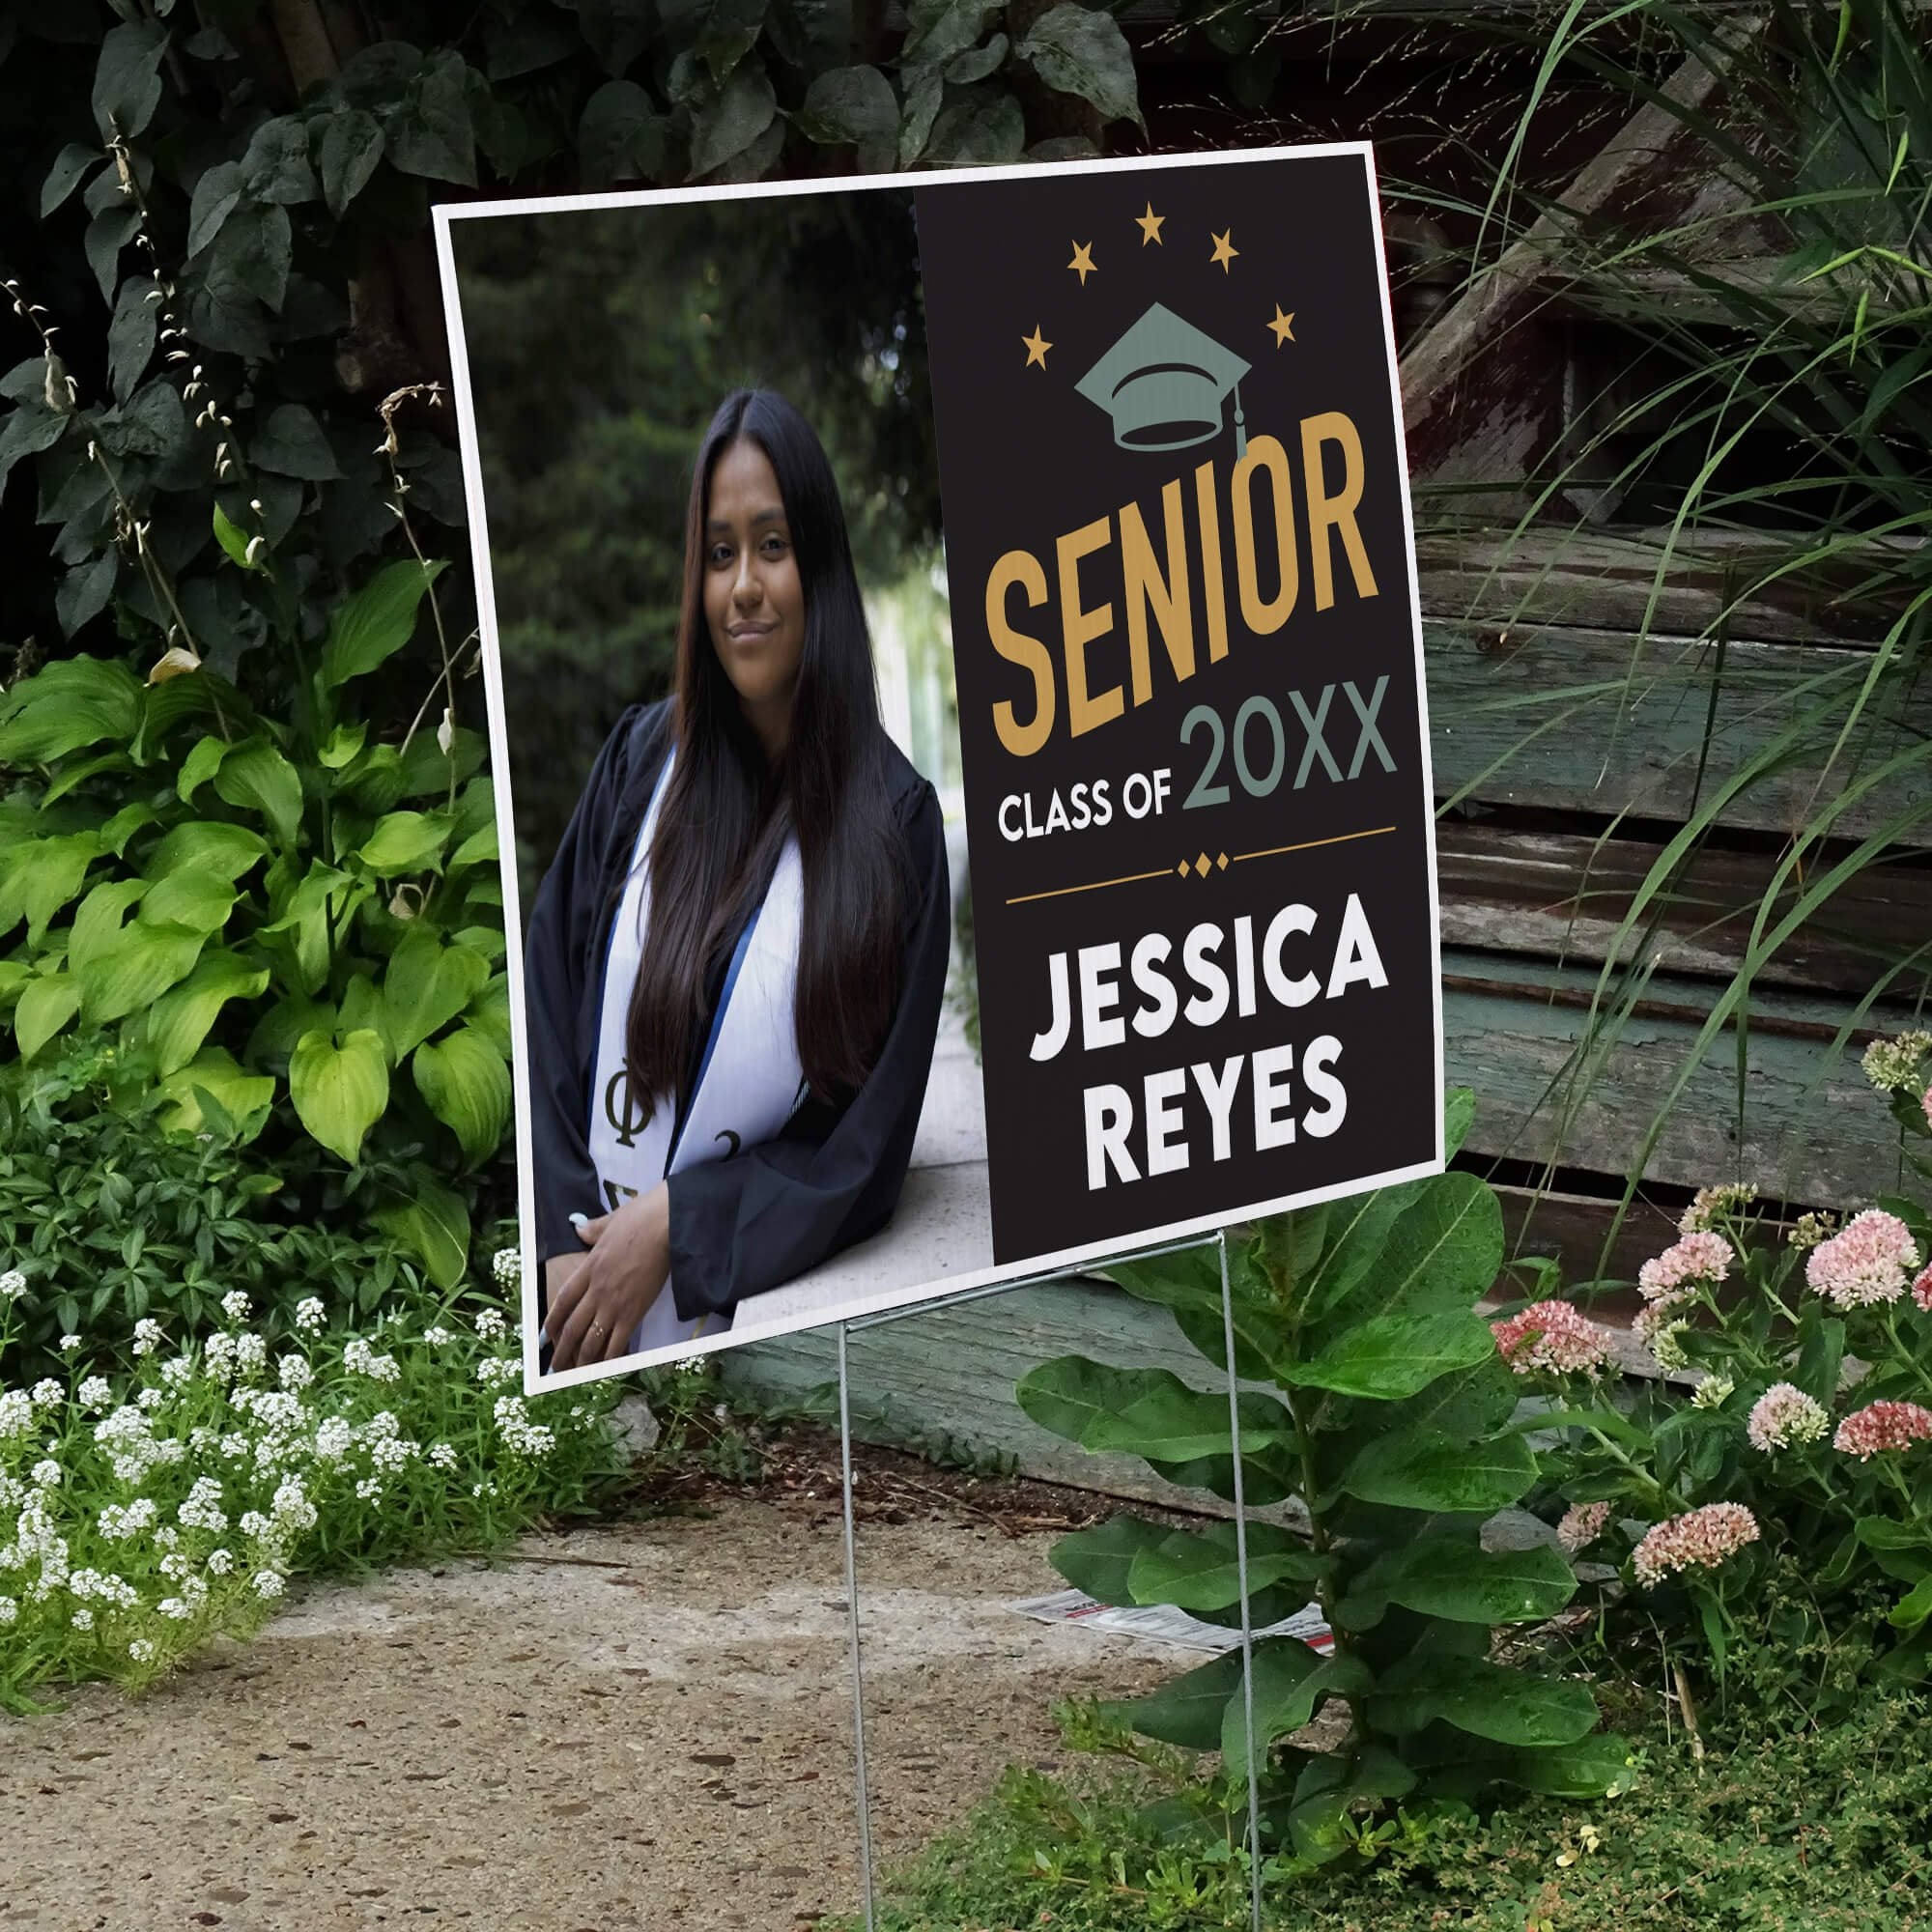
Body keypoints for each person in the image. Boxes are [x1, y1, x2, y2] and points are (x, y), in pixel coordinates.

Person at [524, 388, 950, 1373]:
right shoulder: (641, 763)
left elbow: (861, 1151)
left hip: (733, 1371)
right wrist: (562, 1239)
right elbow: (548, 1002)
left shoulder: (892, 830)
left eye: (772, 544)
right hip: (570, 1306)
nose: (743, 586)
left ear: (822, 568)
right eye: (719, 554)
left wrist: (681, 1225)